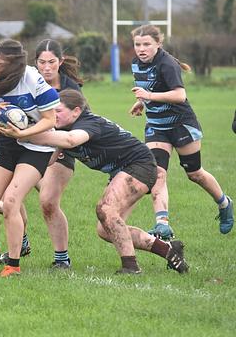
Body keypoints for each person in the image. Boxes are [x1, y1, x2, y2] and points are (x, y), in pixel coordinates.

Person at [23, 89, 189, 274]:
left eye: (58, 111)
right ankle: (168, 249)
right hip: (123, 171)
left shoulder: (88, 123)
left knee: (106, 209)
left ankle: (131, 267)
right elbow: (50, 160)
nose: (54, 115)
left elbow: (71, 140)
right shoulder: (61, 128)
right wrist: (27, 139)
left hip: (139, 164)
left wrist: (28, 134)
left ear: (76, 111)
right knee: (106, 230)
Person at [129, 25, 233, 237]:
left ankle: (224, 203)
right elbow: (151, 87)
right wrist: (142, 102)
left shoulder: (166, 64)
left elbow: (179, 95)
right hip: (157, 127)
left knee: (195, 174)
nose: (141, 49)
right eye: (137, 44)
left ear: (158, 44)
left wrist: (149, 97)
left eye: (147, 44)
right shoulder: (136, 63)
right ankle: (162, 223)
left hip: (181, 125)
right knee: (158, 173)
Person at [0, 39, 59, 277]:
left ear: (13, 65)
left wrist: (24, 133)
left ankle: (13, 264)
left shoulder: (32, 79)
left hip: (37, 145)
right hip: (8, 143)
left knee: (11, 201)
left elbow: (50, 120)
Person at [32, 38, 83, 269]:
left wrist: (57, 147)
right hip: (29, 145)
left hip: (60, 147)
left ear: (60, 62)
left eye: (51, 62)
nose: (46, 67)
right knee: (5, 194)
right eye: (42, 62)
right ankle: (20, 243)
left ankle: (62, 259)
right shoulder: (29, 81)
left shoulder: (70, 89)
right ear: (35, 63)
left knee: (48, 201)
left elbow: (81, 123)